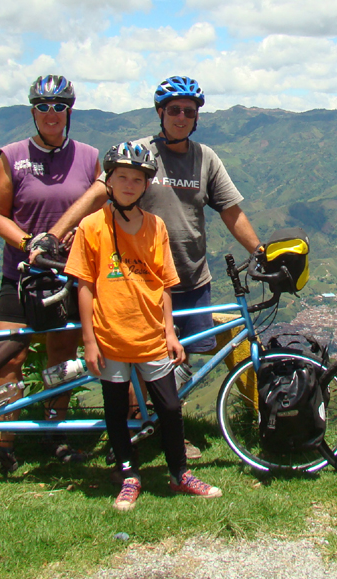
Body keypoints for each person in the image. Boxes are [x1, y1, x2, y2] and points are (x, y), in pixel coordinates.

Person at [38, 75, 261, 459]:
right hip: (136, 282)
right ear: (160, 113)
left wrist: (260, 251)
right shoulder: (139, 153)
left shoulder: (205, 158)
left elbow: (230, 210)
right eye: (173, 109)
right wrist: (54, 234)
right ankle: (127, 435)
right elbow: (98, 192)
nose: (180, 116)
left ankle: (163, 428)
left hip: (189, 278)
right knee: (134, 360)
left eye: (188, 112)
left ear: (196, 118)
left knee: (178, 359)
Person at [65, 142, 222, 511]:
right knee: (116, 409)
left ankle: (179, 473)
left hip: (150, 333)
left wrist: (169, 332)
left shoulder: (156, 226)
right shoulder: (91, 226)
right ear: (109, 181)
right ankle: (128, 475)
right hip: (110, 333)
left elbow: (164, 283)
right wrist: (89, 340)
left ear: (146, 184)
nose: (130, 185)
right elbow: (84, 286)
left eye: (138, 179)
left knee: (169, 406)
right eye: (122, 177)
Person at [0, 75, 101, 481]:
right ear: (32, 110)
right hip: (20, 275)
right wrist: (28, 241)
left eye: (59, 106)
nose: (51, 113)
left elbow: (99, 206)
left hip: (68, 276)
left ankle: (56, 436)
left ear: (69, 111)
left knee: (61, 355)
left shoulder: (89, 157)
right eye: (43, 105)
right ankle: (0, 447)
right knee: (8, 357)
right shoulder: (13, 155)